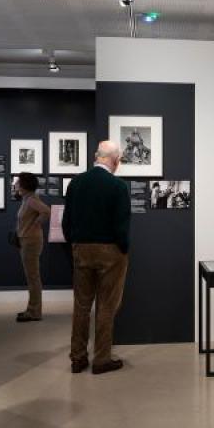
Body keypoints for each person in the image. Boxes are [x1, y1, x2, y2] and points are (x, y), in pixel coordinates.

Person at [61, 141, 131, 374]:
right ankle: (101, 359)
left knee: (81, 305)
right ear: (115, 160)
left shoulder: (76, 182)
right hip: (110, 251)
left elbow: (66, 222)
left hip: (81, 249)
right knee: (106, 306)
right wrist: (123, 248)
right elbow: (122, 226)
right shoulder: (118, 186)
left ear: (96, 157)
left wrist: (75, 243)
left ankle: (78, 358)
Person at [14, 172, 51, 322]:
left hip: (31, 241)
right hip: (27, 240)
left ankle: (35, 312)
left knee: (33, 277)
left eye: (17, 181)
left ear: (24, 184)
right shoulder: (27, 199)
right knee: (31, 277)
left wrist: (35, 224)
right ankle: (31, 309)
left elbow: (46, 211)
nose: (15, 183)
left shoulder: (31, 200)